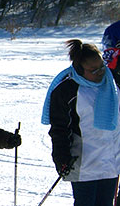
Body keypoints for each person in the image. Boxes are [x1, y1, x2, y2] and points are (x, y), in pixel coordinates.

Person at [41, 39, 120, 206]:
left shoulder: (113, 84)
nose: (100, 73)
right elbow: (60, 129)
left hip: (111, 162)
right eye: (93, 70)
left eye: (101, 67)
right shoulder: (67, 90)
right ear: (79, 69)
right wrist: (61, 157)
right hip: (84, 164)